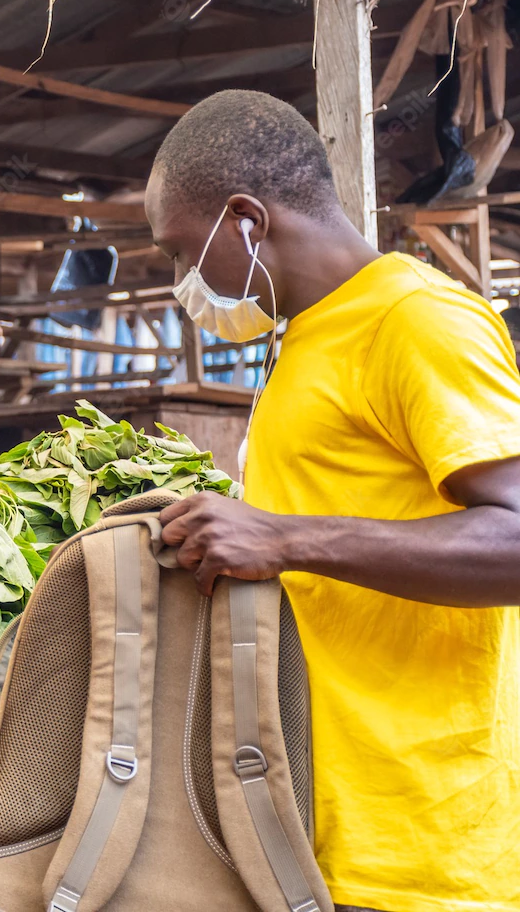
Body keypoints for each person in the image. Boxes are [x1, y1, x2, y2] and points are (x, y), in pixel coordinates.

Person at [146, 90, 520, 912]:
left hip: (420, 850)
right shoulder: (306, 337)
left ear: (245, 221)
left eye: (182, 250)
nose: (184, 280)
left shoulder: (416, 321)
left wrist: (286, 538)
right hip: (316, 829)